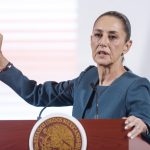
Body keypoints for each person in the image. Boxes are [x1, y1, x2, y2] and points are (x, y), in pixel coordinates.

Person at [0, 11, 150, 141]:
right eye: (98, 35)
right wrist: (2, 64)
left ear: (127, 46)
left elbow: (143, 119)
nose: (103, 42)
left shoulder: (136, 85)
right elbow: (37, 94)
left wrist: (143, 124)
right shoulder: (86, 79)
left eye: (112, 37)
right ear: (91, 40)